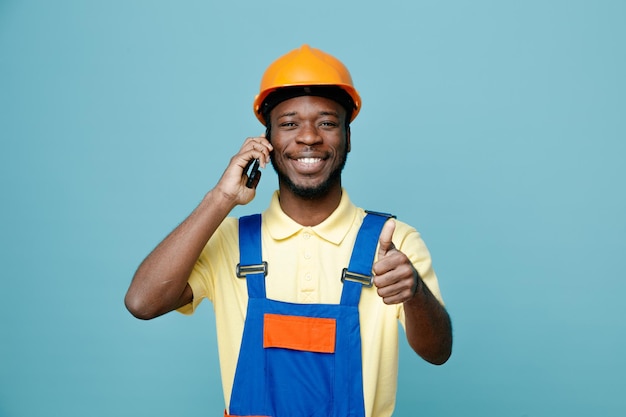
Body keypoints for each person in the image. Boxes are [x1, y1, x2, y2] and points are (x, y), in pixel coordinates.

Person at [125, 44, 452, 417]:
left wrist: (414, 293)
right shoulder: (231, 241)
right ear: (268, 141)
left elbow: (438, 352)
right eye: (289, 124)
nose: (309, 137)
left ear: (348, 137)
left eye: (327, 123)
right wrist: (220, 199)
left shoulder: (392, 242)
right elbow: (142, 302)